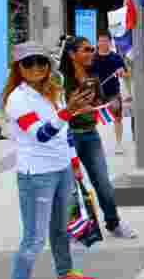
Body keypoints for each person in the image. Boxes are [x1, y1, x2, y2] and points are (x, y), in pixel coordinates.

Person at [1, 42, 99, 279]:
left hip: (61, 168)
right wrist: (68, 111)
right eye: (28, 63)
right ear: (18, 68)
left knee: (60, 226)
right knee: (33, 240)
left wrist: (74, 163)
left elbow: (63, 134)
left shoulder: (52, 90)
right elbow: (41, 134)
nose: (36, 68)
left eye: (41, 62)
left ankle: (65, 272)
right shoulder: (17, 99)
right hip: (36, 175)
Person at [58, 36, 137, 239]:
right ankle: (77, 229)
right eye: (86, 49)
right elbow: (55, 109)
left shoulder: (93, 75)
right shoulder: (60, 80)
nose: (91, 52)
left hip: (90, 135)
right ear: (72, 54)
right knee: (70, 186)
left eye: (92, 48)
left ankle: (113, 223)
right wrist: (73, 109)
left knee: (103, 182)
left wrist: (109, 103)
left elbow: (100, 99)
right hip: (68, 138)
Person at [92, 33, 128, 155]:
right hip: (96, 93)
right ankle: (95, 145)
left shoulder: (116, 57)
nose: (102, 43)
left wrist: (121, 71)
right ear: (97, 42)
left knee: (117, 117)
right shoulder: (92, 57)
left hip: (113, 92)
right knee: (93, 119)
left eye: (105, 40)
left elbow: (125, 73)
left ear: (110, 42)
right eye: (100, 40)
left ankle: (119, 144)